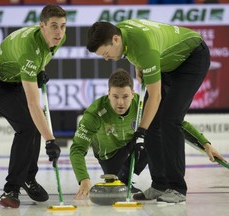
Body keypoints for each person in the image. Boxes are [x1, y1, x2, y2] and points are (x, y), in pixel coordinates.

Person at [86, 19, 227, 203]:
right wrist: (139, 66)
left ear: (115, 39)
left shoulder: (144, 48)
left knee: (170, 120)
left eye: (106, 53)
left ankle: (177, 188)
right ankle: (159, 185)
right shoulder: (120, 33)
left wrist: (140, 133)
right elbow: (138, 50)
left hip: (192, 58)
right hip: (166, 62)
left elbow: (155, 97)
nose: (106, 58)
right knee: (152, 121)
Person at [69, 68, 226, 200]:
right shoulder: (95, 113)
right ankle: (121, 176)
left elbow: (176, 124)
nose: (120, 103)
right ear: (108, 93)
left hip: (136, 147)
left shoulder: (143, 105)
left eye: (125, 96)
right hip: (110, 155)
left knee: (153, 135)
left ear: (133, 93)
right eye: (115, 97)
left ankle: (161, 184)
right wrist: (83, 179)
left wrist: (206, 144)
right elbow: (77, 148)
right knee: (116, 181)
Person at [0, 4, 67, 208]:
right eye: (54, 26)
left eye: (63, 26)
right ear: (42, 26)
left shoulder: (58, 38)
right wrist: (50, 140)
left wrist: (39, 70)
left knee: (33, 123)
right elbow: (34, 104)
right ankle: (11, 189)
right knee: (27, 125)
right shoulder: (29, 50)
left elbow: (42, 55)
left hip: (16, 79)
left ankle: (28, 177)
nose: (59, 32)